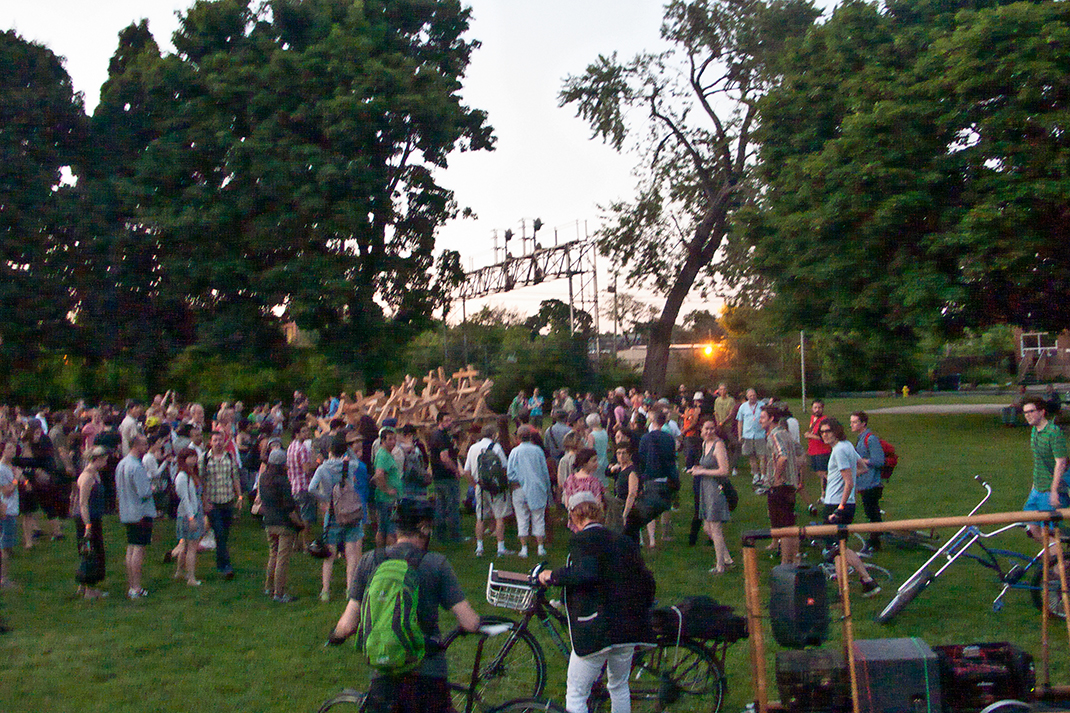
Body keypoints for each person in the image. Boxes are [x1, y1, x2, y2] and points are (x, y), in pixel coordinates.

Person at [327, 498, 481, 713]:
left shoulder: (369, 561)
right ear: (424, 529)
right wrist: (478, 626)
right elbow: (470, 622)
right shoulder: (437, 563)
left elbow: (347, 625)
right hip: (429, 672)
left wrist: (334, 637)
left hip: (386, 669)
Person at [537, 499, 656, 713]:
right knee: (619, 686)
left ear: (575, 517)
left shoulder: (582, 540)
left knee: (576, 692)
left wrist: (552, 576)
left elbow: (586, 573)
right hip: (628, 626)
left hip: (598, 628)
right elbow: (647, 581)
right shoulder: (623, 541)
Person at [819, 418, 882, 597]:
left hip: (836, 503)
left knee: (838, 547)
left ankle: (867, 580)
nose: (824, 435)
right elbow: (862, 467)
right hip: (847, 503)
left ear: (836, 431)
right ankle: (844, 590)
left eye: (828, 431)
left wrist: (839, 507)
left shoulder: (839, 450)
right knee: (839, 549)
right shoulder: (847, 446)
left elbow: (849, 482)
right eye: (822, 432)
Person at [311, 435, 369, 602]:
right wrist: (348, 449)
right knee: (351, 554)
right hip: (350, 512)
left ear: (329, 450)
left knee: (329, 553)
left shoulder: (323, 468)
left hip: (333, 513)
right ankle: (350, 589)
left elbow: (311, 488)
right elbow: (355, 459)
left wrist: (324, 498)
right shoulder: (350, 465)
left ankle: (325, 591)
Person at [625, 410, 677, 545]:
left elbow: (641, 459)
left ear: (653, 421)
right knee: (665, 507)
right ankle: (665, 532)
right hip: (666, 477)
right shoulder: (669, 438)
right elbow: (672, 458)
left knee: (649, 508)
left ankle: (652, 539)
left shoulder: (646, 438)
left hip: (650, 476)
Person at [1021, 396, 1069, 541]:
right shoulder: (1034, 432)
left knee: (1048, 531)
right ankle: (1060, 560)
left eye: (1031, 411)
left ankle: (1058, 562)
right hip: (1037, 490)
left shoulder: (1053, 433)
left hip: (1050, 490)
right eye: (1025, 412)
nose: (1027, 415)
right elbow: (1038, 462)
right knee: (1031, 528)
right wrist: (1033, 487)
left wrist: (1054, 491)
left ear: (1042, 412)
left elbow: (1061, 463)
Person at [260, 448, 304, 602]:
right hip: (283, 525)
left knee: (273, 554)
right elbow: (290, 508)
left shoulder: (263, 478)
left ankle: (268, 587)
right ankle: (279, 593)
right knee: (282, 559)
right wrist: (299, 524)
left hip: (268, 522)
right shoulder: (283, 481)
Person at [688, 420, 733, 573]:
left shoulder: (718, 445)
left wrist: (702, 472)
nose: (709, 432)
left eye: (712, 429)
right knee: (707, 527)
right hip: (705, 488)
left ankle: (720, 566)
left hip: (715, 489)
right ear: (701, 430)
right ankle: (727, 558)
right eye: (706, 429)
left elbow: (723, 470)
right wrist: (697, 468)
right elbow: (707, 465)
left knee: (715, 527)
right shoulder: (704, 444)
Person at [760, 405, 802, 566]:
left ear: (771, 419)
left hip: (780, 486)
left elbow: (782, 457)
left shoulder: (775, 436)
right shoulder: (786, 434)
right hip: (791, 485)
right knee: (790, 523)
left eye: (763, 417)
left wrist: (777, 477)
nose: (760, 420)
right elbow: (800, 454)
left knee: (783, 527)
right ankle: (796, 557)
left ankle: (786, 563)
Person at [115, 435, 156, 599]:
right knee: (138, 549)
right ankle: (137, 587)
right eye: (144, 444)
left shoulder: (121, 464)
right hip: (140, 513)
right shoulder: (136, 467)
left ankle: (132, 585)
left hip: (126, 511)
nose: (147, 447)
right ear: (136, 445)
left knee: (131, 548)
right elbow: (144, 492)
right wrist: (152, 487)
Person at [462, 424, 513, 557]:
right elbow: (504, 467)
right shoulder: (496, 448)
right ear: (493, 435)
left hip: (480, 486)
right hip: (495, 487)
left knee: (480, 517)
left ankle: (479, 547)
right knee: (499, 517)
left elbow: (466, 471)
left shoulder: (473, 448)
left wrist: (474, 485)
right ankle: (500, 548)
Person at [202, 430, 243, 580]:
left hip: (227, 500)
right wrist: (204, 501)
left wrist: (239, 495)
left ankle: (221, 562)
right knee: (218, 533)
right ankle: (226, 566)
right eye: (215, 440)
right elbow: (202, 481)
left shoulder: (229, 457)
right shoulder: (205, 459)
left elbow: (235, 477)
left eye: (220, 440)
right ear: (210, 442)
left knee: (224, 534)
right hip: (213, 503)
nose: (218, 442)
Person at [507, 425, 552, 558]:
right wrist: (547, 488)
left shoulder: (514, 452)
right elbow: (544, 471)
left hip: (520, 488)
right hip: (537, 487)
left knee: (522, 518)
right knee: (538, 517)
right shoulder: (537, 450)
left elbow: (510, 474)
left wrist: (520, 480)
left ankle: (524, 548)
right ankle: (540, 547)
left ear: (518, 438)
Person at [850, 411, 885, 554]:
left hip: (872, 483)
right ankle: (874, 539)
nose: (851, 425)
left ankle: (875, 542)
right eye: (851, 422)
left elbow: (879, 460)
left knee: (873, 513)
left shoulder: (870, 439)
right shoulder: (861, 438)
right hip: (864, 482)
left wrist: (860, 461)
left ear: (863, 423)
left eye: (854, 422)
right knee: (870, 512)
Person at [172, 447, 207, 586]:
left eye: (194, 456)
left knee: (185, 545)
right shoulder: (182, 476)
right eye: (190, 457)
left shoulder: (193, 474)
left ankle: (180, 571)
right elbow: (185, 499)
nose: (193, 459)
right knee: (191, 546)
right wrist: (191, 518)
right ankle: (191, 578)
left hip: (195, 511)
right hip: (188, 514)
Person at [428, 413, 463, 543]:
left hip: (438, 476)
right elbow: (444, 458)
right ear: (439, 422)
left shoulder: (441, 435)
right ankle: (455, 535)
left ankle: (440, 535)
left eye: (450, 419)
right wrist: (456, 471)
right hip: (446, 476)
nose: (450, 422)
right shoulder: (440, 436)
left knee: (441, 506)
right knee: (451, 505)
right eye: (447, 420)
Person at [373, 427, 403, 548]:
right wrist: (387, 489)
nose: (393, 442)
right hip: (387, 499)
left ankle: (381, 553)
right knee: (391, 530)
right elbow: (379, 474)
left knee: (383, 527)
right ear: (383, 441)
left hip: (385, 499)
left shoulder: (385, 454)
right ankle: (391, 554)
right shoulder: (383, 455)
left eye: (394, 439)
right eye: (390, 439)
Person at [561, 448, 605, 531]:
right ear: (585, 463)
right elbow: (598, 502)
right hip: (591, 520)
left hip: (576, 518)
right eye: (593, 461)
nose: (597, 463)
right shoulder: (593, 481)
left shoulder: (571, 479)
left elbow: (567, 502)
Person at [803, 400, 832, 511]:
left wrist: (809, 435)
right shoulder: (813, 419)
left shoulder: (824, 421)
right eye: (815, 407)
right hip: (813, 450)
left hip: (822, 450)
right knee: (819, 473)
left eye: (819, 407)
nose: (817, 410)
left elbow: (823, 438)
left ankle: (826, 494)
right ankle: (824, 494)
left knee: (823, 473)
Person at [736, 389, 766, 491]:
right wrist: (740, 435)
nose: (752, 397)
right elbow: (740, 421)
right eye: (750, 396)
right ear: (747, 397)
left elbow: (767, 419)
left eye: (754, 395)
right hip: (747, 435)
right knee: (751, 456)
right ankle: (756, 475)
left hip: (760, 434)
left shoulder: (762, 405)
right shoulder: (743, 407)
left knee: (762, 456)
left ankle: (763, 476)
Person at [0, 440, 19, 589]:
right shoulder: (1, 469)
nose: (13, 450)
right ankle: (4, 580)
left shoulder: (9, 467)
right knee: (5, 547)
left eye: (13, 447)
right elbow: (6, 491)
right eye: (9, 448)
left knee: (7, 546)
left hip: (11, 509)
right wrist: (16, 479)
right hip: (6, 510)